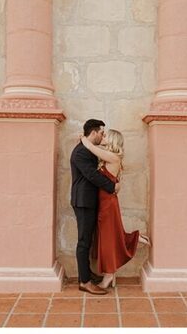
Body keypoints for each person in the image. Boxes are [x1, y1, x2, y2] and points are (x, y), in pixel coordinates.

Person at [80, 129, 151, 290]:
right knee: (108, 237)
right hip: (104, 202)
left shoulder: (114, 157)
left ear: (112, 140)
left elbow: (92, 149)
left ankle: (109, 275)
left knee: (107, 240)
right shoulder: (109, 157)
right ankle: (134, 238)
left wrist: (85, 140)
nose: (102, 137)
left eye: (105, 136)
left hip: (107, 204)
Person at [70, 119, 120, 295]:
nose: (102, 136)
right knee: (84, 242)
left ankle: (87, 274)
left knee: (88, 240)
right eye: (101, 133)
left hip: (89, 201)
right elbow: (91, 175)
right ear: (93, 133)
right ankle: (85, 282)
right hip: (83, 202)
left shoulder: (87, 149)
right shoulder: (81, 152)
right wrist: (111, 186)